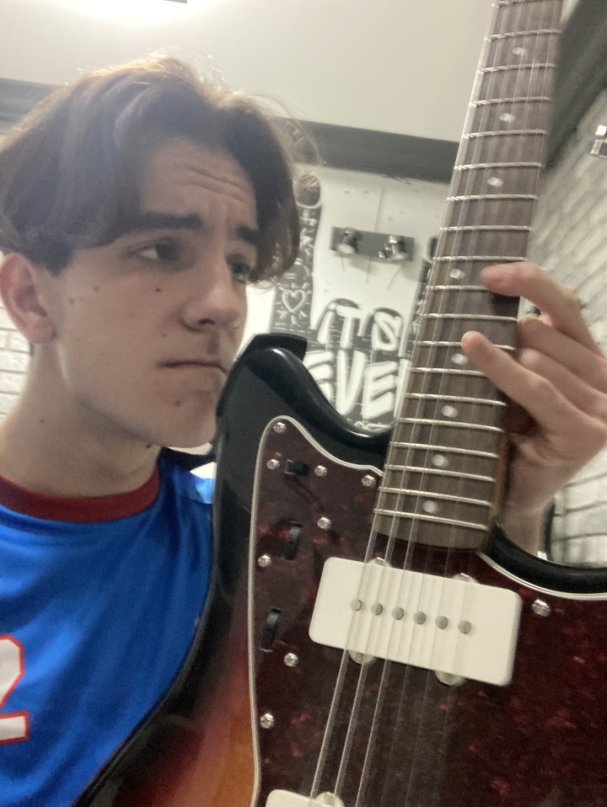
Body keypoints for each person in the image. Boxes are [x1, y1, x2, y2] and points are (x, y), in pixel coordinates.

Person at [0, 56, 604, 805]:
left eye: (240, 264)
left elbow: (439, 735)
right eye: (161, 250)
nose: (224, 304)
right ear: (30, 297)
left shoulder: (273, 543)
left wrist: (514, 504)